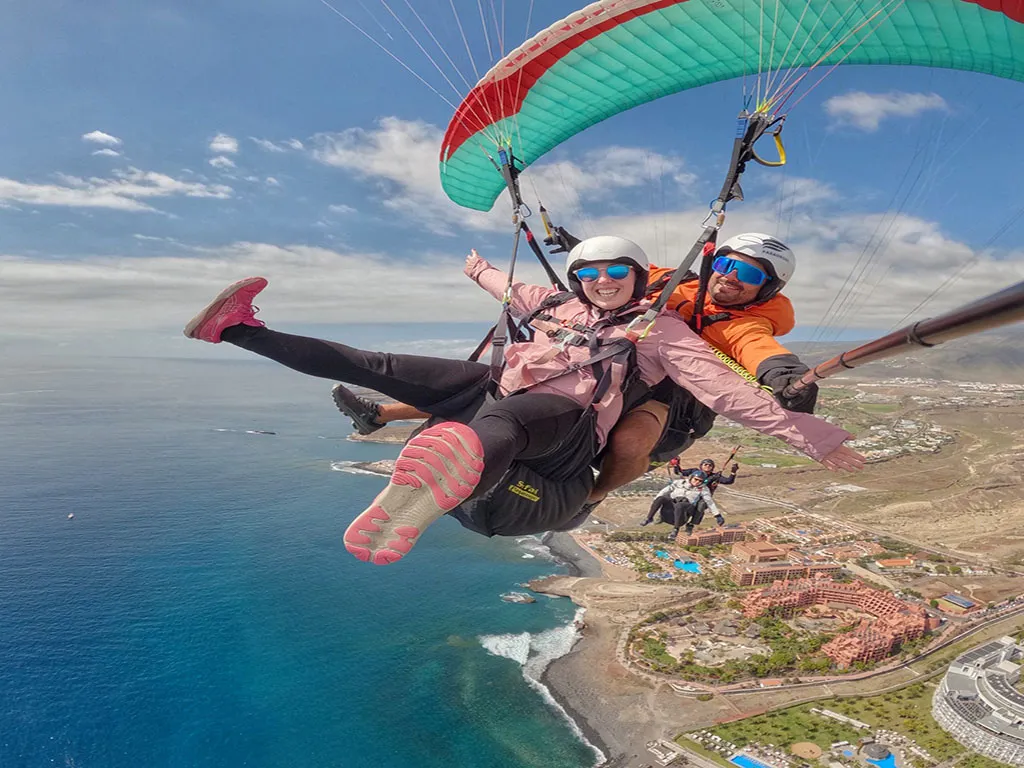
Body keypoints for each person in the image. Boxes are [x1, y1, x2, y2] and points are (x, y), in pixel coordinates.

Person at [183, 236, 863, 566]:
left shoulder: (661, 328)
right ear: (576, 278)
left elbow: (724, 387)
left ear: (638, 279)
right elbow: (506, 290)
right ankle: (237, 328)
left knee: (501, 424)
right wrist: (478, 266)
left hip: (571, 415)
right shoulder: (555, 300)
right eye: (590, 273)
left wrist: (815, 434)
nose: (601, 281)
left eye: (615, 273)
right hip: (500, 380)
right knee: (381, 366)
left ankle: (433, 485)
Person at [331, 231, 820, 504]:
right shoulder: (671, 281)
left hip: (673, 391)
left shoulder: (743, 323)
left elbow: (758, 349)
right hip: (622, 354)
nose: (732, 280)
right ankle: (381, 416)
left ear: (768, 289)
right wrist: (573, 245)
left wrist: (783, 377)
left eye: (750, 275)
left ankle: (593, 495)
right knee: (511, 385)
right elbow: (614, 269)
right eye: (727, 267)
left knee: (630, 439)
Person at [642, 472, 721, 539]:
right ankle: (649, 518)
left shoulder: (703, 489)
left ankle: (676, 529)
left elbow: (709, 502)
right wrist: (656, 500)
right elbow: (665, 490)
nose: (697, 482)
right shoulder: (679, 483)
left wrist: (717, 515)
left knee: (680, 505)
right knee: (661, 498)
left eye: (700, 481)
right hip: (674, 502)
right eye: (696, 479)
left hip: (687, 507)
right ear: (691, 478)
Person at [678, 458, 737, 525]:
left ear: (712, 467)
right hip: (691, 494)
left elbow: (729, 481)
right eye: (705, 464)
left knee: (701, 504)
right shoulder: (694, 471)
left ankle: (692, 523)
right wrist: (676, 464)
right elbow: (680, 472)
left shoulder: (715, 476)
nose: (707, 466)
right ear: (701, 466)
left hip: (703, 498)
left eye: (710, 465)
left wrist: (733, 472)